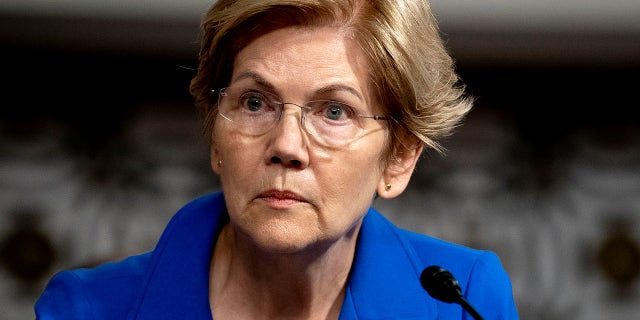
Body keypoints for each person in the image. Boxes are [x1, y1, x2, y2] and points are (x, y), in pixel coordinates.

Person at [35, 0, 519, 319]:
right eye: (254, 103)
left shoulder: (462, 301)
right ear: (214, 134)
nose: (286, 146)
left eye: (334, 111)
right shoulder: (88, 309)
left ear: (399, 159)